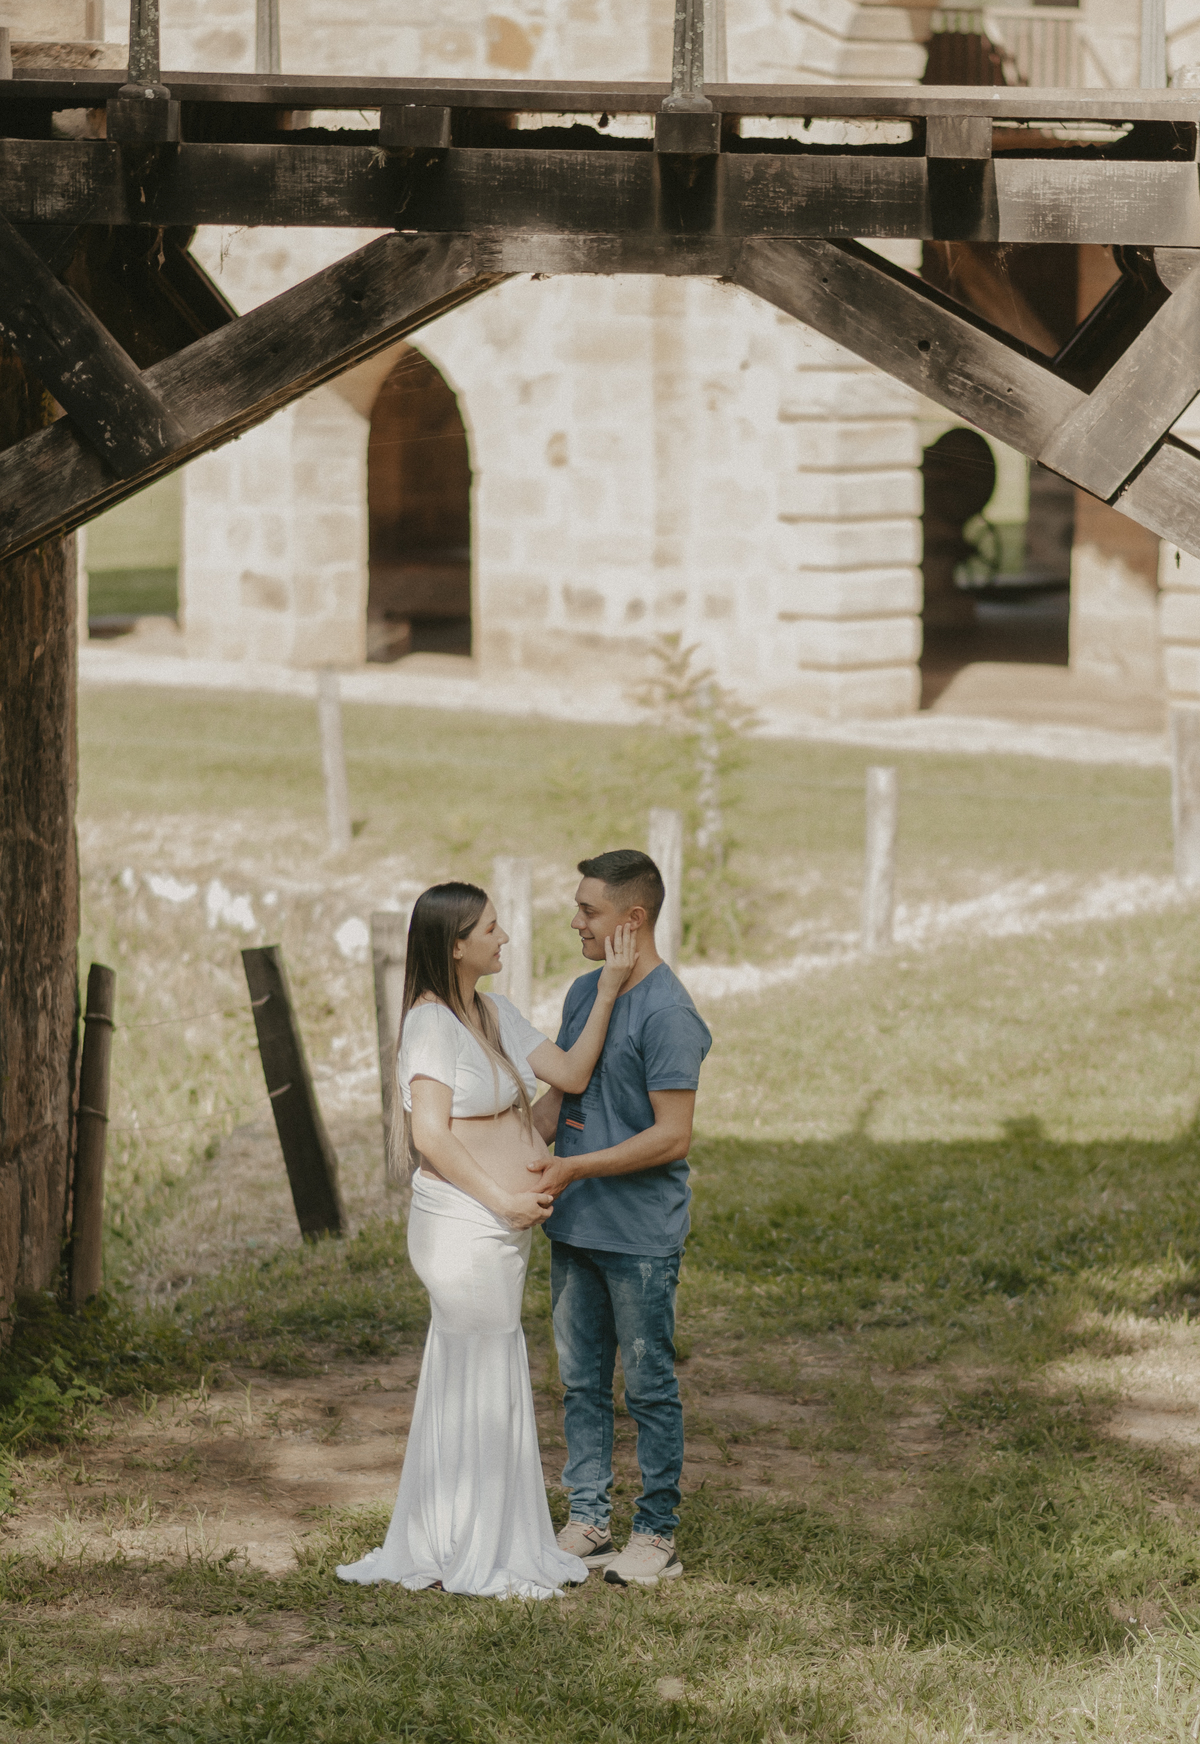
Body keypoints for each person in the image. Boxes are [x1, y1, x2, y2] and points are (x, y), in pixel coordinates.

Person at [335, 880, 637, 1600]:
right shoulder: (430, 1025)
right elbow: (430, 1135)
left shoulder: (491, 1012)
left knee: (479, 1368)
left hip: (503, 1229)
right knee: (482, 1366)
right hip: (463, 1224)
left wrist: (609, 990)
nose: (506, 939)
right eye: (493, 930)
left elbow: (567, 1073)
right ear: (456, 944)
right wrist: (504, 1194)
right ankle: (474, 1544)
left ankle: (474, 1533)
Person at [530, 849, 712, 1590]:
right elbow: (562, 1099)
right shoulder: (585, 993)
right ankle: (589, 1518)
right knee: (579, 1381)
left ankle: (658, 1532)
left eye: (589, 911)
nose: (576, 921)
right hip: (574, 1227)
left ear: (631, 920)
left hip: (637, 1237)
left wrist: (576, 1168)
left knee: (646, 1385)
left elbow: (673, 1135)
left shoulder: (669, 1013)